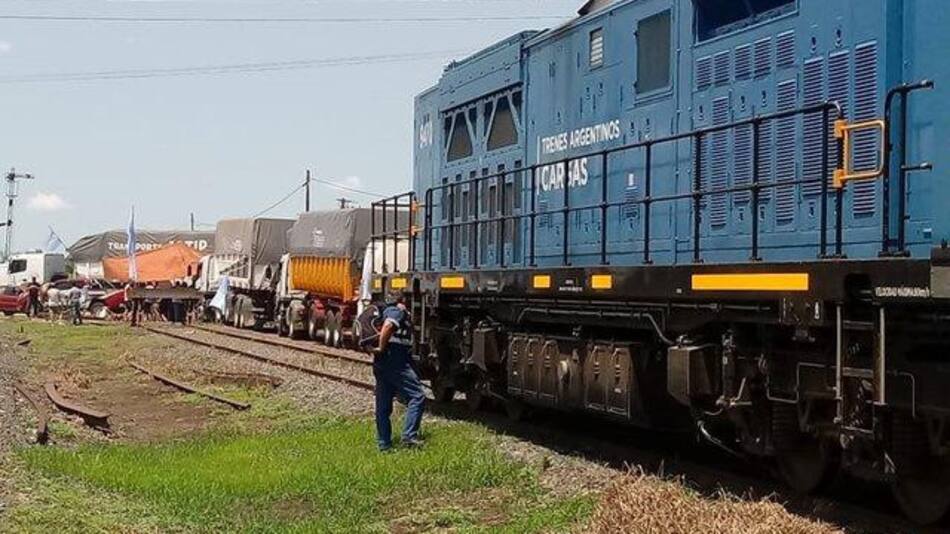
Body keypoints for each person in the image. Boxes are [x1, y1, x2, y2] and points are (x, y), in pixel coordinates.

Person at [371, 296, 426, 452]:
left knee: (383, 405)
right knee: (417, 396)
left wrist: (379, 350)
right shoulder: (397, 311)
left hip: (382, 362)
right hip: (395, 360)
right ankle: (409, 436)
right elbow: (389, 325)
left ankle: (384, 444)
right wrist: (381, 347)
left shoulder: (386, 311)